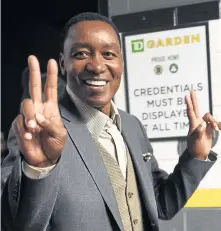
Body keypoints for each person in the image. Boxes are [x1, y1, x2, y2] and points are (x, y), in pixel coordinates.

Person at [1, 12, 220, 231]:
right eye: (81, 54)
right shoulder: (39, 131)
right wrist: (39, 169)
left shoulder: (132, 126)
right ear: (63, 64)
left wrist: (196, 156)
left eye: (108, 54)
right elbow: (13, 223)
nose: (96, 66)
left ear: (121, 63)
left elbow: (162, 204)